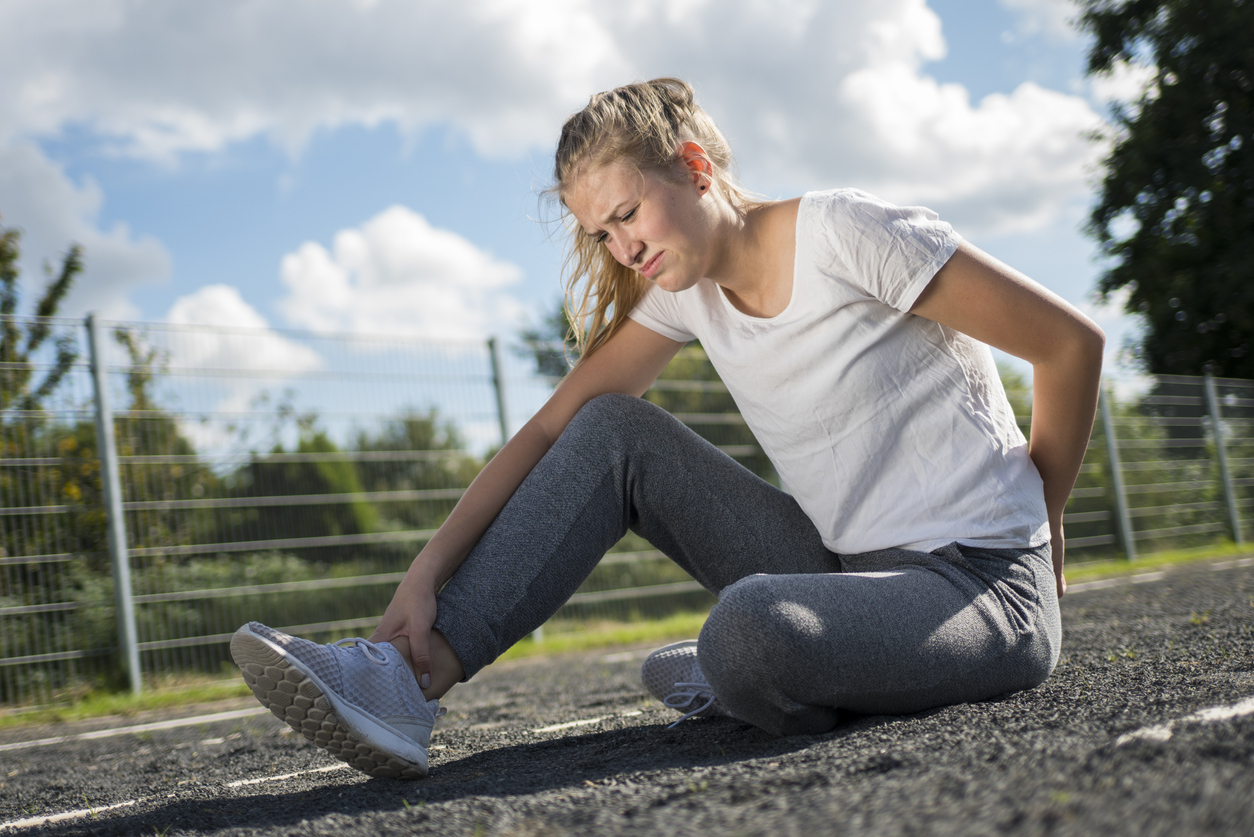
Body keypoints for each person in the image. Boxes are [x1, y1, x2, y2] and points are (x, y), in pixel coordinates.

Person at [230, 78, 1104, 780]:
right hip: (845, 570)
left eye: (627, 215)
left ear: (693, 165)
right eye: (600, 234)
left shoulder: (848, 232)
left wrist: (1043, 512)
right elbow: (550, 432)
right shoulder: (680, 293)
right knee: (615, 428)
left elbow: (1069, 344)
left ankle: (763, 666)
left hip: (982, 588)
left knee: (747, 629)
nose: (620, 248)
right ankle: (406, 682)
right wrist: (426, 573)